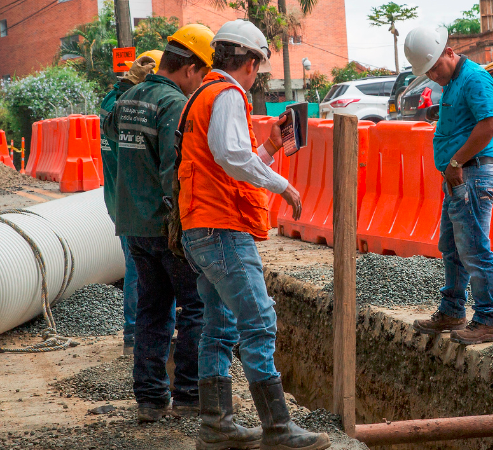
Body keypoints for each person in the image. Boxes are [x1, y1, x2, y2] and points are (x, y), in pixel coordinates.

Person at [175, 19, 329, 450]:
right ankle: (278, 428)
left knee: (219, 325)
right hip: (221, 228)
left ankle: (217, 423)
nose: (257, 73)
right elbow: (230, 155)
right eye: (258, 64)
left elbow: (225, 161)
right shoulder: (227, 94)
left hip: (199, 226)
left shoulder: (200, 97)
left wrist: (270, 148)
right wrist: (282, 183)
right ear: (249, 60)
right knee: (258, 319)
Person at [110, 24, 214, 423]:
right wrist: (183, 225)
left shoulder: (128, 97)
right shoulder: (173, 104)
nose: (201, 84)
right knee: (195, 307)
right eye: (203, 75)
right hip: (163, 226)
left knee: (152, 310)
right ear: (189, 68)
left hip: (131, 223)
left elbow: (117, 153)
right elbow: (174, 171)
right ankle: (188, 394)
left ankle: (151, 400)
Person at [404, 26, 493, 345]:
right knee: (452, 247)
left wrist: (457, 161)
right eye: (428, 71)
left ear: (450, 51)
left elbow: (489, 124)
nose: (433, 75)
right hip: (460, 176)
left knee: (474, 247)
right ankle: (452, 310)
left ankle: (488, 318)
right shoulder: (454, 82)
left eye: (435, 66)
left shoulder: (474, 78)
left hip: (472, 174)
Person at [100, 50, 162, 356]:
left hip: (116, 198)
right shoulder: (133, 108)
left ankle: (137, 333)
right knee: (140, 270)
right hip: (133, 202)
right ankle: (135, 335)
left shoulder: (112, 102)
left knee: (137, 267)